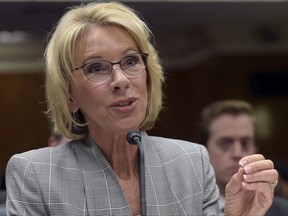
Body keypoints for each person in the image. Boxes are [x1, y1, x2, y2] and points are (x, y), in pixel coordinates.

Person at [5, 2, 278, 215]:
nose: (120, 81)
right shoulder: (35, 173)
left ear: (148, 76)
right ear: (70, 96)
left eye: (130, 61)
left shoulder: (190, 162)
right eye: (96, 68)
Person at [197, 99, 288, 216]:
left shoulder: (283, 211)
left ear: (256, 149)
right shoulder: (186, 210)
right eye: (224, 143)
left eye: (245, 143)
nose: (237, 153)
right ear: (204, 150)